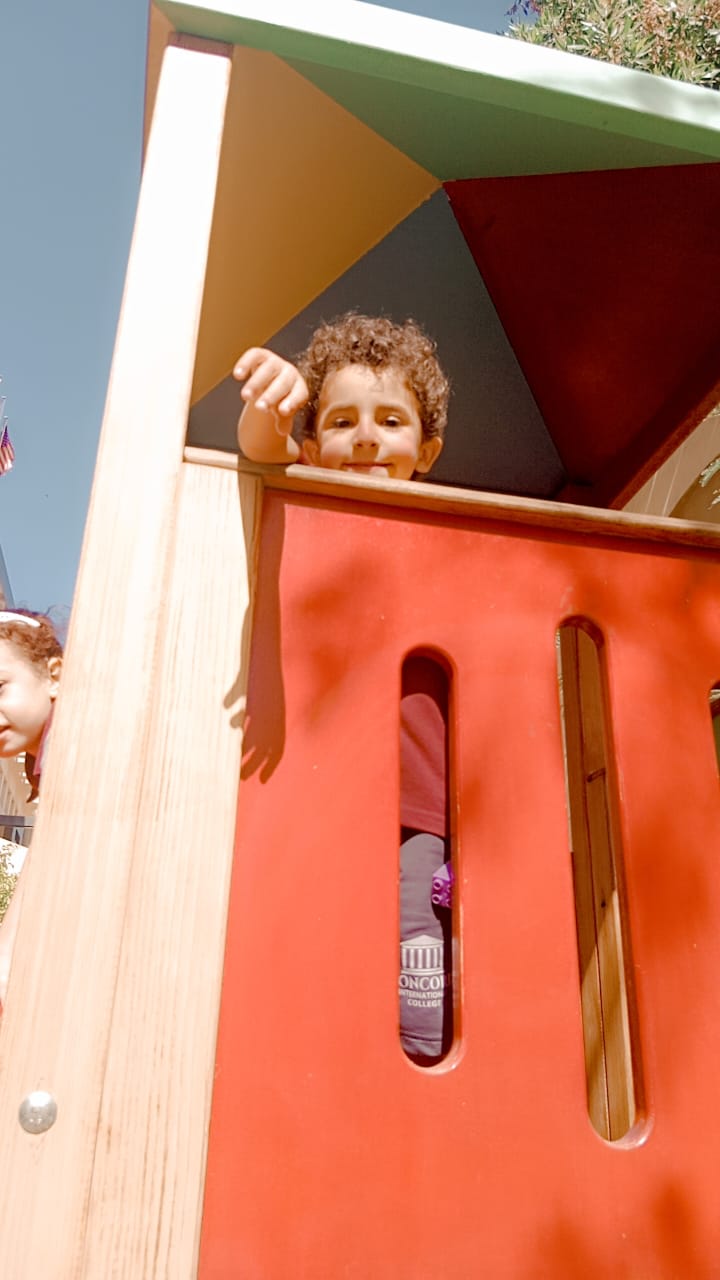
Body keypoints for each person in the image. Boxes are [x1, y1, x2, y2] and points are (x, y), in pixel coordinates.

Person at [235, 313, 453, 1063]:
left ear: (426, 451)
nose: (365, 438)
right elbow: (261, 455)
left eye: (390, 421)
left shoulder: (448, 536)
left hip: (417, 808)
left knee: (417, 970)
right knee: (320, 955)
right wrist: (271, 407)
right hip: (317, 789)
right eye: (340, 421)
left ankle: (420, 1067)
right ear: (310, 446)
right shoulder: (310, 513)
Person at [0, 609, 63, 1008]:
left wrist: (8, 954)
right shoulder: (44, 760)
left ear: (54, 676)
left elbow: (53, 854)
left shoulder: (68, 744)